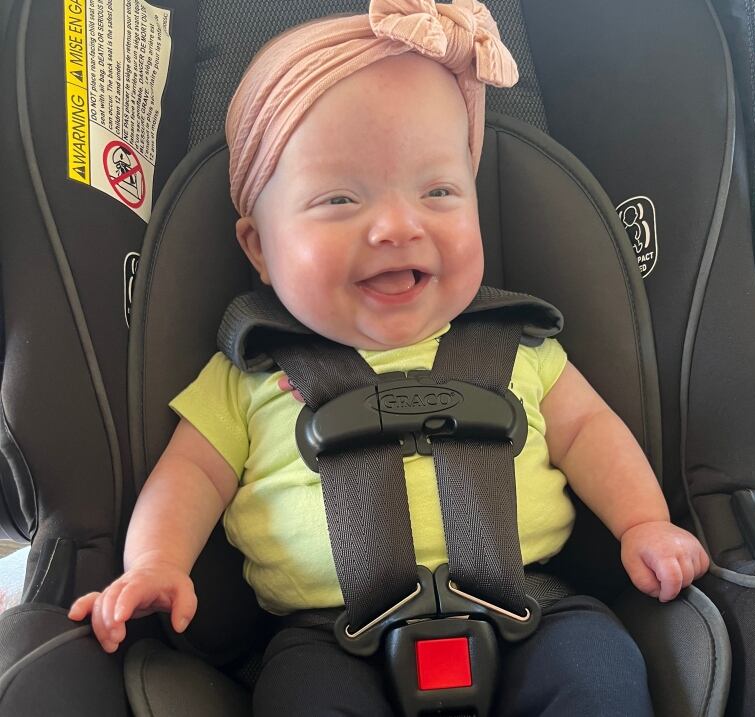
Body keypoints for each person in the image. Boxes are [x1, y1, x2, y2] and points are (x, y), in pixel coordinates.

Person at [69, 1, 709, 714]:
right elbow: (188, 473)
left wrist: (644, 522)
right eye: (340, 199)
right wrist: (156, 562)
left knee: (601, 668)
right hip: (328, 639)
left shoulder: (521, 347)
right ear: (259, 248)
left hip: (534, 611)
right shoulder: (248, 373)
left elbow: (591, 432)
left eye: (439, 191)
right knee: (298, 699)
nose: (399, 226)